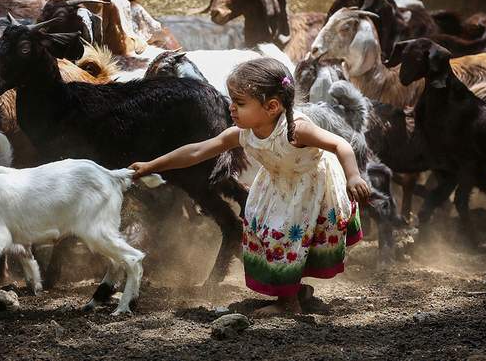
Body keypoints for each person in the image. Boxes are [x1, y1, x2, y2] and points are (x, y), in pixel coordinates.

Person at [130, 58, 370, 315]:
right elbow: (197, 151)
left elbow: (340, 145)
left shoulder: (296, 130)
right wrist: (152, 165)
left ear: (272, 106)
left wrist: (354, 176)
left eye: (239, 103)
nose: (231, 108)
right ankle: (295, 290)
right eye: (231, 100)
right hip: (278, 186)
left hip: (310, 186)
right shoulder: (242, 132)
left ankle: (288, 304)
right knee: (264, 237)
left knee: (285, 239)